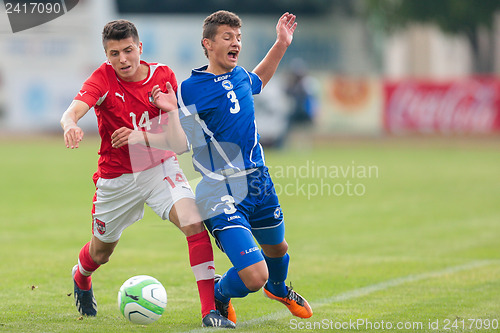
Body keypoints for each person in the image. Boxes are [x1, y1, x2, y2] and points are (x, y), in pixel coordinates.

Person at [60, 19, 235, 328]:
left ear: (140, 48)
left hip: (158, 166)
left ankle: (210, 312)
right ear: (107, 55)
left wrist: (142, 134)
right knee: (100, 253)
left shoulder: (162, 76)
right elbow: (72, 110)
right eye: (114, 54)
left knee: (194, 225)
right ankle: (81, 275)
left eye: (128, 51)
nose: (122, 60)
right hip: (116, 178)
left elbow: (180, 143)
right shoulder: (103, 78)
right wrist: (71, 124)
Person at [153, 10, 313, 325]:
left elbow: (260, 80)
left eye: (238, 38)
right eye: (228, 37)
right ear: (208, 44)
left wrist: (281, 43)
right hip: (220, 189)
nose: (235, 43)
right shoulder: (190, 88)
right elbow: (179, 141)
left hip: (259, 182)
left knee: (278, 248)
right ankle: (220, 293)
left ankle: (279, 289)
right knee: (255, 276)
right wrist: (169, 114)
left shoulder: (240, 75)